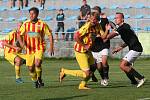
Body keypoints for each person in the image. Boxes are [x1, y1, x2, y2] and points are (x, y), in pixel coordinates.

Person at [59, 12, 110, 89]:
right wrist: (84, 45)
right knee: (87, 74)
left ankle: (82, 85)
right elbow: (76, 37)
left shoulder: (98, 26)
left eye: (95, 20)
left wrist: (106, 30)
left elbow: (103, 37)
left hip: (87, 50)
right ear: (90, 19)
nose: (93, 21)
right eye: (92, 19)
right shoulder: (87, 26)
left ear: (98, 20)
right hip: (80, 51)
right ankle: (65, 71)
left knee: (93, 67)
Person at [105, 12, 146, 88]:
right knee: (126, 66)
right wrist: (120, 48)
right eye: (115, 18)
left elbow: (108, 37)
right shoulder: (125, 27)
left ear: (122, 19)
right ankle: (133, 81)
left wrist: (108, 30)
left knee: (122, 65)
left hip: (135, 49)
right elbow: (129, 40)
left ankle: (141, 78)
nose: (115, 19)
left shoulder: (122, 27)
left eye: (117, 18)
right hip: (135, 48)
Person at [18, 7, 54, 88]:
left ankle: (40, 79)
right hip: (29, 49)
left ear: (37, 14)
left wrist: (51, 46)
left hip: (39, 47)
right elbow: (19, 35)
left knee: (37, 63)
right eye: (30, 14)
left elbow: (50, 35)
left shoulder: (42, 24)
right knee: (31, 68)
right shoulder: (26, 24)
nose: (31, 15)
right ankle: (35, 81)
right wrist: (22, 45)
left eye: (33, 14)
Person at [90, 6, 110, 86]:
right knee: (98, 66)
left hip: (104, 44)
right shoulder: (91, 22)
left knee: (104, 61)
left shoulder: (104, 20)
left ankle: (106, 78)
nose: (93, 14)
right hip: (95, 46)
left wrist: (107, 32)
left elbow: (107, 29)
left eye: (94, 12)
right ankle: (102, 78)